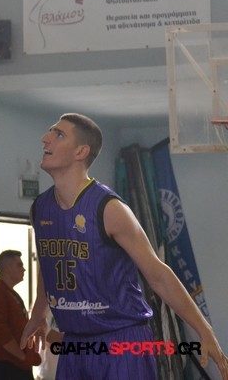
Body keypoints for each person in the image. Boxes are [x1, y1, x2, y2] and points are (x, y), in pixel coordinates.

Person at [20, 113, 228, 380]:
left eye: (58, 134)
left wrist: (204, 330)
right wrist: (39, 311)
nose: (45, 138)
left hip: (121, 341)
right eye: (50, 132)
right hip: (75, 342)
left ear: (81, 152)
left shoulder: (109, 208)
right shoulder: (40, 208)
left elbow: (158, 275)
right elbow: (49, 264)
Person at [0, 250, 40, 379]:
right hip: (5, 364)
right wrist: (22, 357)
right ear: (6, 268)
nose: (24, 269)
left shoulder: (11, 294)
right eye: (19, 265)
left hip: (16, 363)